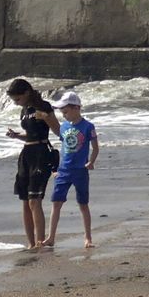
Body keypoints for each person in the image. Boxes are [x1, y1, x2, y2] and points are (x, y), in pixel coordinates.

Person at [5, 78, 57, 250]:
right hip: (26, 154)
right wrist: (16, 136)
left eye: (18, 99)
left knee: (35, 200)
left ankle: (40, 242)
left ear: (27, 93)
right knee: (25, 201)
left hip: (41, 154)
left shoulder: (44, 106)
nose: (16, 103)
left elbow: (57, 130)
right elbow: (30, 135)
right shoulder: (24, 110)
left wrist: (46, 117)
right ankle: (31, 243)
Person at [47, 90, 98, 248]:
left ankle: (88, 237)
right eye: (62, 112)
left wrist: (91, 161)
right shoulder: (63, 127)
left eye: (66, 112)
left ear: (76, 108)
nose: (64, 115)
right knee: (56, 203)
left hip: (80, 170)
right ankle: (51, 237)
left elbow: (95, 148)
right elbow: (63, 147)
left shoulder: (88, 126)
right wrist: (55, 169)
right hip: (64, 170)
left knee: (83, 204)